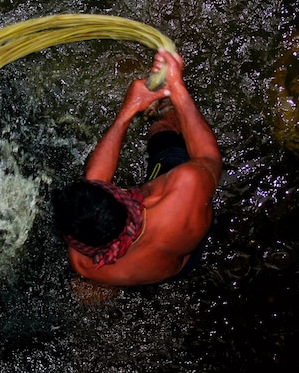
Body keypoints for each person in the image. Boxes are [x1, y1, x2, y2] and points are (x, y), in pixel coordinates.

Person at [52, 49, 222, 286]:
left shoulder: (84, 264)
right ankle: (166, 111)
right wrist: (177, 88)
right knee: (163, 134)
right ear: (119, 194)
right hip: (185, 241)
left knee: (88, 290)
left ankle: (104, 290)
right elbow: (208, 157)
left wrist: (128, 110)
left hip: (138, 271)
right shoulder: (185, 188)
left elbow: (94, 179)